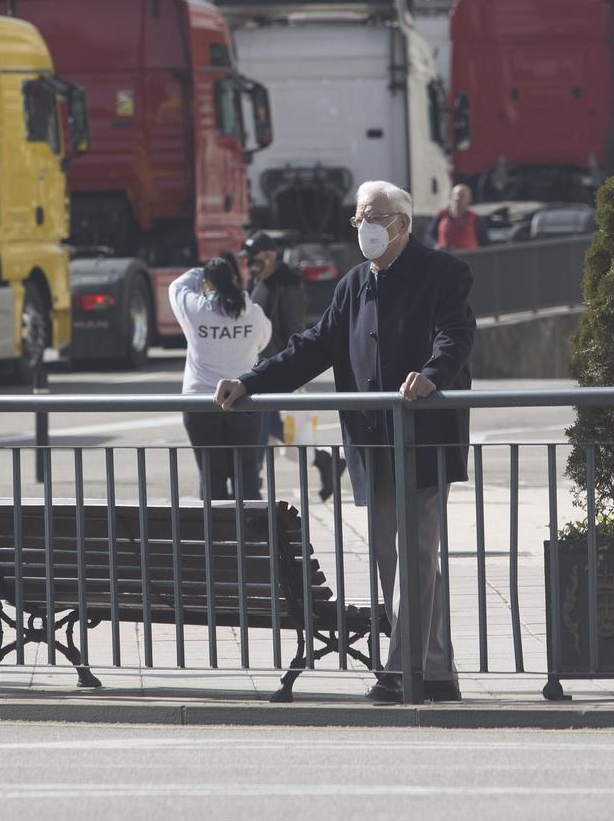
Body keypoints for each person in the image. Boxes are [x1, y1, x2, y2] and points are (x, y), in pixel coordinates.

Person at [215, 180, 475, 703]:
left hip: (424, 440)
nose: (365, 228)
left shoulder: (444, 272)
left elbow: (455, 336)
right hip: (371, 441)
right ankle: (437, 670)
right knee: (390, 557)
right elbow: (313, 346)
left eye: (375, 217)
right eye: (359, 219)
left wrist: (432, 374)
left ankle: (404, 669)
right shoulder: (355, 283)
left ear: (402, 223)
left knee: (416, 555)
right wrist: (252, 380)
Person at [168, 257, 269, 500]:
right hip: (245, 399)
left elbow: (177, 286)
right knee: (246, 471)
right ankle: (249, 524)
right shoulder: (253, 313)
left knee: (211, 475)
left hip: (200, 401)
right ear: (235, 280)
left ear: (206, 283)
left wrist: (202, 270)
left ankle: (214, 525)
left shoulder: (195, 309)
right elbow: (262, 343)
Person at [244, 232, 317, 494]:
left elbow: (294, 328)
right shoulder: (259, 279)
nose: (251, 265)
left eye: (255, 259)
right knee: (271, 424)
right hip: (259, 365)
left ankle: (252, 482)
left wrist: (295, 370)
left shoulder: (288, 283)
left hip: (275, 367)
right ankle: (324, 462)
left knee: (260, 425)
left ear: (270, 255)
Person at [431, 183, 481, 251]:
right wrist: (435, 245)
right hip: (446, 255)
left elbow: (484, 242)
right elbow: (430, 235)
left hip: (468, 255)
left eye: (461, 196)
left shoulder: (475, 218)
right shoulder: (441, 215)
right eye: (454, 195)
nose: (457, 198)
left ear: (469, 199)